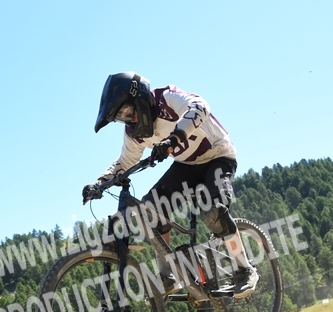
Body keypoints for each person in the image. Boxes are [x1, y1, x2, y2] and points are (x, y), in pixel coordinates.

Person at [94, 72, 258, 299]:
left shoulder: (167, 99)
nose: (128, 120)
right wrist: (101, 182)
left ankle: (245, 269)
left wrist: (175, 137)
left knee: (213, 211)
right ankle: (168, 276)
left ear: (139, 98)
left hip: (219, 156)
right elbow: (125, 161)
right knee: (151, 209)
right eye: (121, 118)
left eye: (127, 112)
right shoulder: (134, 133)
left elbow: (200, 106)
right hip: (187, 165)